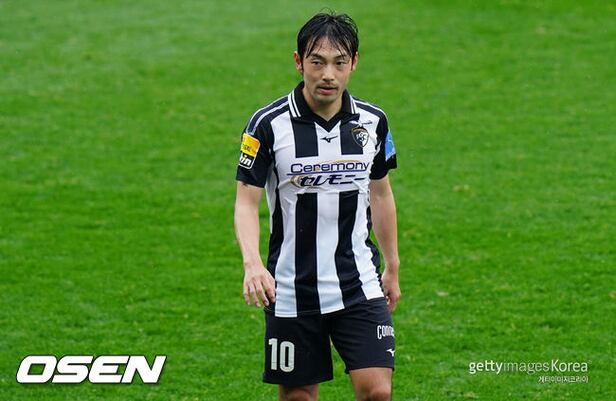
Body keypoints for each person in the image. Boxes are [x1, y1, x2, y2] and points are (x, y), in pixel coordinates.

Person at [234, 11, 400, 401]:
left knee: (377, 391)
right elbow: (246, 201)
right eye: (317, 62)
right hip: (293, 288)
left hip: (358, 282)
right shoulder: (268, 125)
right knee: (298, 397)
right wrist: (252, 264)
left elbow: (381, 194)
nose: (328, 74)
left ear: (353, 63)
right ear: (299, 62)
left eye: (339, 63)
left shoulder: (372, 122)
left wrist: (392, 265)